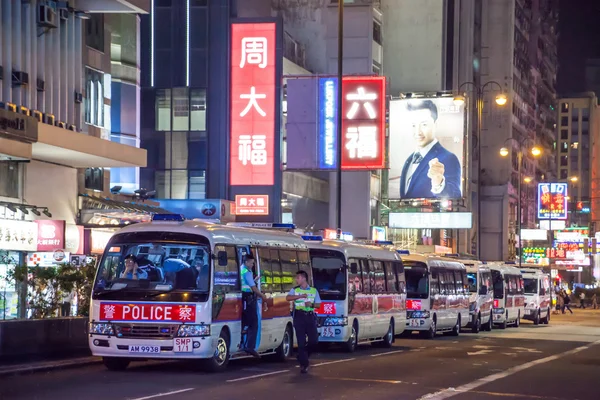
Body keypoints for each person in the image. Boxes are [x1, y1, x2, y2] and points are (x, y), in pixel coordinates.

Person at [397, 100, 462, 199]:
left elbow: (455, 196)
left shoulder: (448, 158)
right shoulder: (409, 160)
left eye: (424, 124)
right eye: (414, 125)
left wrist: (438, 182)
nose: (417, 132)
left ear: (435, 125)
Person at [286, 270, 321, 374]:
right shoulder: (295, 290)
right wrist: (299, 296)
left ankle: (303, 355)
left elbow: (319, 304)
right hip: (299, 317)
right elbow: (288, 298)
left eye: (298, 278)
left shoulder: (314, 290)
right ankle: (304, 365)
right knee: (301, 342)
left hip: (310, 317)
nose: (296, 280)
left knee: (313, 341)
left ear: (304, 278)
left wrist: (311, 305)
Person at [240, 254, 267, 358]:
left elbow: (247, 284)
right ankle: (250, 347)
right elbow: (253, 288)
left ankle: (243, 343)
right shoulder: (246, 272)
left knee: (245, 321)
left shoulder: (242, 270)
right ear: (246, 262)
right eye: (251, 263)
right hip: (248, 298)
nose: (252, 265)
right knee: (253, 323)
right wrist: (263, 295)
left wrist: (255, 280)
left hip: (244, 298)